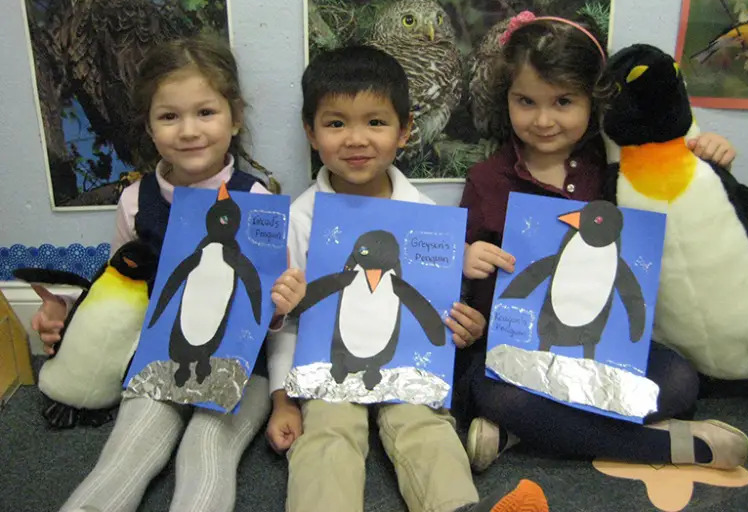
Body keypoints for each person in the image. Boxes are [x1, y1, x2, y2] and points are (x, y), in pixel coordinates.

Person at [457, 11, 748, 473]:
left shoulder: (616, 165)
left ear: (593, 101)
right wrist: (466, 257)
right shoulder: (487, 180)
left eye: (563, 101)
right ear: (506, 100)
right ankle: (669, 446)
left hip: (603, 347)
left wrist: (709, 157)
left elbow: (685, 198)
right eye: (526, 102)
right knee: (490, 393)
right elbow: (455, 268)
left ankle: (524, 432)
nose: (544, 120)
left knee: (678, 378)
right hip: (518, 351)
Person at [31, 35, 305, 512]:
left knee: (207, 449)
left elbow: (268, 313)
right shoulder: (136, 201)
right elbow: (121, 288)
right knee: (126, 450)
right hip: (159, 358)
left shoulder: (257, 203)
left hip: (244, 370)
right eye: (169, 116)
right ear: (150, 126)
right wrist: (68, 316)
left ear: (234, 117)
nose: (189, 130)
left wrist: (282, 304)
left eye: (206, 112)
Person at [280, 44, 549, 512]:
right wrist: (283, 394)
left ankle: (456, 506)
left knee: (426, 424)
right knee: (327, 432)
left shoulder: (428, 218)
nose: (356, 139)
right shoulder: (301, 218)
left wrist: (464, 326)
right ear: (311, 131)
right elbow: (289, 325)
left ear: (405, 131)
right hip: (328, 365)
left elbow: (435, 308)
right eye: (336, 123)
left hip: (405, 362)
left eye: (376, 122)